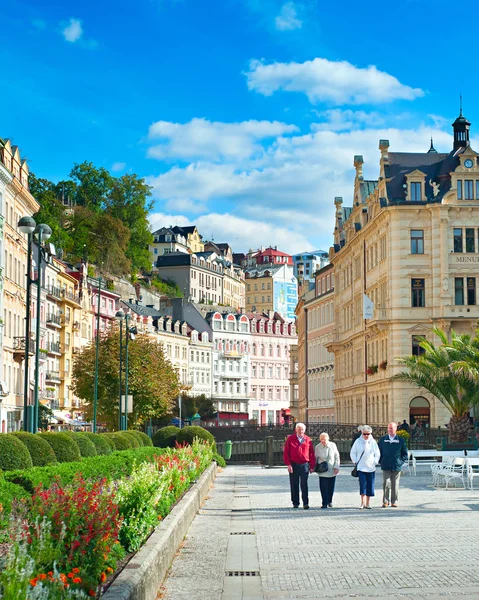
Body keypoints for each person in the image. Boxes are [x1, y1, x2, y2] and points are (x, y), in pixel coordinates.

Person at [283, 422, 316, 509]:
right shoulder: (291, 439)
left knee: (304, 484)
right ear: (296, 430)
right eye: (299, 429)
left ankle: (305, 503)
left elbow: (311, 453)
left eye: (302, 430)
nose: (301, 431)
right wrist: (288, 464)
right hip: (294, 464)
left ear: (304, 430)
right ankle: (295, 502)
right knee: (294, 484)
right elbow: (286, 452)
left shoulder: (308, 439)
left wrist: (312, 466)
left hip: (304, 464)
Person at [378, 422, 408, 508]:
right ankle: (385, 501)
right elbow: (378, 452)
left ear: (396, 429)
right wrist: (381, 461)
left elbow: (404, 454)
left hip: (396, 465)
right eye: (389, 428)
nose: (390, 430)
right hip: (386, 465)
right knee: (386, 483)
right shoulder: (383, 440)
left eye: (392, 428)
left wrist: (400, 462)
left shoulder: (401, 440)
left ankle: (394, 501)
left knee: (395, 484)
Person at [350, 425, 380, 509]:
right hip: (361, 467)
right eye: (364, 434)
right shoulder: (358, 441)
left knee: (370, 485)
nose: (366, 436)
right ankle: (362, 502)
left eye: (368, 434)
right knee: (362, 485)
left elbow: (377, 453)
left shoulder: (373, 442)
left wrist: (375, 461)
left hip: (371, 467)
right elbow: (353, 452)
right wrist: (355, 461)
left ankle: (368, 503)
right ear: (362, 433)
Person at [315, 432, 340, 509]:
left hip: (331, 469)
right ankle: (324, 502)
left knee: (330, 487)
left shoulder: (333, 445)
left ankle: (329, 501)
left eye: (324, 439)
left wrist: (336, 467)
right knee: (323, 487)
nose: (323, 441)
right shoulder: (317, 447)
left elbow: (337, 456)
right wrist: (314, 467)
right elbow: (315, 458)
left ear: (328, 439)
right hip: (322, 470)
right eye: (321, 439)